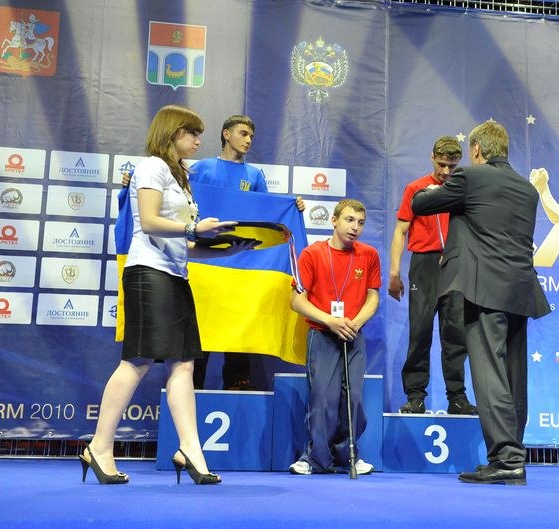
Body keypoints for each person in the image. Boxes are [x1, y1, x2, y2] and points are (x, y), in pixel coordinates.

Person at [80, 105, 254, 485]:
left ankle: (190, 449)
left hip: (176, 275)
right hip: (147, 273)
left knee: (185, 365)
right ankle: (99, 446)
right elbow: (149, 222)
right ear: (171, 132)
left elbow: (184, 244)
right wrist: (195, 226)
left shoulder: (182, 176)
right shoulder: (152, 167)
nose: (197, 140)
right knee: (137, 362)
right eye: (191, 133)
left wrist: (229, 250)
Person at [412, 120, 551, 485]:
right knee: (514, 376)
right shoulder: (527, 189)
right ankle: (514, 454)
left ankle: (506, 459)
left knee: (489, 374)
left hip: (483, 289)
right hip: (520, 288)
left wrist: (442, 183)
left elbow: (420, 202)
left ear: (476, 151)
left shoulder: (471, 178)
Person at [189, 114, 304, 391]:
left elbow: (265, 213)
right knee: (200, 327)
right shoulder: (200, 169)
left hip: (242, 265)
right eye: (243, 133)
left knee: (240, 323)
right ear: (226, 134)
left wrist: (293, 206)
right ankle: (191, 389)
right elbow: (175, 198)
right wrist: (131, 182)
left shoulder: (254, 176)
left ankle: (237, 386)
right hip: (205, 264)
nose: (248, 140)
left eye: (251, 136)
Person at [288, 199, 380, 475]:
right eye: (350, 220)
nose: (355, 228)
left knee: (354, 399)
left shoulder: (369, 255)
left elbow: (373, 297)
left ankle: (348, 455)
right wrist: (330, 320)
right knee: (323, 398)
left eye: (361, 223)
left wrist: (354, 323)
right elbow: (296, 301)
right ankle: (315, 458)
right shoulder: (312, 254)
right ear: (334, 221)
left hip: (353, 334)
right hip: (322, 333)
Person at [389, 136, 477, 415]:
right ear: (432, 158)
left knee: (455, 334)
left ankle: (457, 398)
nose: (446, 172)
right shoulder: (416, 189)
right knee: (420, 332)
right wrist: (394, 272)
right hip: (424, 265)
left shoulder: (463, 190)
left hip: (454, 265)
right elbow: (401, 231)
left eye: (452, 166)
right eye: (441, 165)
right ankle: (415, 396)